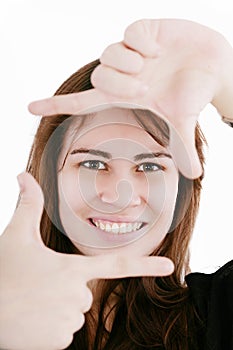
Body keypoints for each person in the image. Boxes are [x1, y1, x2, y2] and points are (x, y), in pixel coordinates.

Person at [0, 18, 232, 350]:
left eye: (150, 165)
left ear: (182, 191)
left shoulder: (216, 316)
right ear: (50, 177)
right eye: (93, 163)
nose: (119, 196)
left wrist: (229, 84)